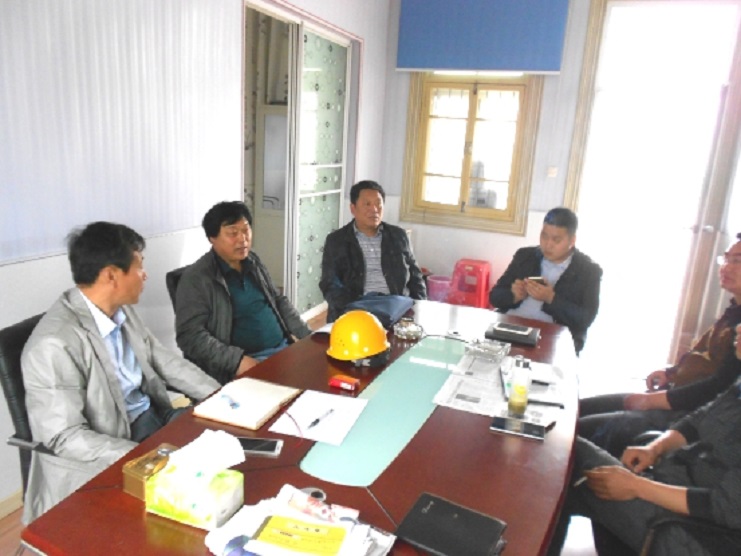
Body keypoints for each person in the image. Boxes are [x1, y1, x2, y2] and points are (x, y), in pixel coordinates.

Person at [21, 222, 220, 524]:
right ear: (111, 275)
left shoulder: (119, 310)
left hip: (152, 420)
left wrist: (219, 395)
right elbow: (65, 437)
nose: (145, 275)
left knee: (223, 451)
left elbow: (161, 358)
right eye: (139, 265)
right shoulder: (54, 344)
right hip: (110, 449)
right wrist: (143, 456)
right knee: (191, 505)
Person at [547, 324, 741, 556]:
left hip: (696, 534)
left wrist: (636, 487)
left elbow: (727, 507)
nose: (738, 327)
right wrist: (655, 448)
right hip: (673, 484)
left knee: (563, 456)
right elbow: (699, 419)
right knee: (561, 469)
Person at [579, 236, 741, 457]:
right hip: (676, 393)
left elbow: (718, 387)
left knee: (578, 430)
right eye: (726, 259)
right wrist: (671, 372)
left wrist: (649, 400)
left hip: (687, 414)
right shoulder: (733, 310)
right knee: (577, 408)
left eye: (737, 261)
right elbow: (701, 354)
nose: (726, 267)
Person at [175, 201, 311, 385]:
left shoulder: (252, 260)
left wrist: (308, 336)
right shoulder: (197, 278)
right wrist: (237, 361)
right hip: (248, 362)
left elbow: (278, 301)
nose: (243, 239)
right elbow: (190, 336)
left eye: (246, 230)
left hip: (283, 349)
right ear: (212, 238)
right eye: (233, 233)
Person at [489, 207, 602, 354]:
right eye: (544, 236)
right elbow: (494, 297)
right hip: (513, 326)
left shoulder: (588, 271)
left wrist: (551, 299)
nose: (548, 244)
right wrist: (513, 295)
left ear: (572, 240)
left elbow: (585, 320)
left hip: (552, 337)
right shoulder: (525, 256)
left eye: (556, 240)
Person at [320, 180, 427, 322]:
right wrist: (353, 308)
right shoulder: (337, 240)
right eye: (367, 204)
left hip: (396, 309)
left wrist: (418, 307)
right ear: (353, 208)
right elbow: (329, 283)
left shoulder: (398, 236)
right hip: (356, 311)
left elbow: (416, 276)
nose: (374, 209)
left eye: (378, 203)